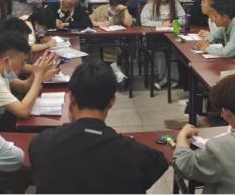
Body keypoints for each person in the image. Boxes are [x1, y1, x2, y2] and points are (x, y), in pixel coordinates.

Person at [29, 62, 168, 193]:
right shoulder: (135, 153)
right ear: (112, 101)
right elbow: (161, 163)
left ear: (71, 99)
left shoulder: (41, 143)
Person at [0, 33, 59, 127]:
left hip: (0, 118)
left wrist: (37, 72)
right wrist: (39, 77)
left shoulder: (1, 66)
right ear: (7, 61)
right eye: (22, 62)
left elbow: (22, 87)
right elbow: (24, 112)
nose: (23, 67)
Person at [142, 0, 186, 88]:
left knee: (174, 51)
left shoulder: (175, 3)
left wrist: (174, 22)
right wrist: (161, 24)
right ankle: (163, 78)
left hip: (172, 35)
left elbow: (184, 18)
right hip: (155, 36)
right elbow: (144, 21)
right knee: (159, 52)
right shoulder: (151, 3)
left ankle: (173, 79)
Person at [89, 0, 133, 84]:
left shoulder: (122, 12)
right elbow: (88, 20)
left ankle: (115, 72)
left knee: (111, 45)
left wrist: (125, 10)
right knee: (109, 46)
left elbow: (128, 24)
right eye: (112, 6)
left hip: (115, 39)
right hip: (98, 38)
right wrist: (100, 24)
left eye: (117, 7)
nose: (114, 9)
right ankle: (117, 71)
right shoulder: (101, 9)